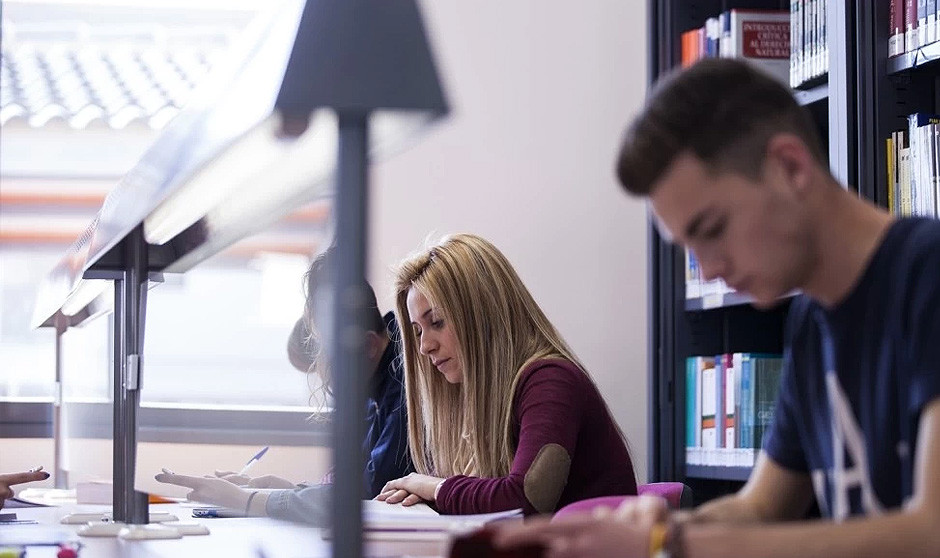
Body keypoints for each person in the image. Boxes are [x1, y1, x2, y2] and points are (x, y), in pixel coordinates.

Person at [493, 58, 940, 557]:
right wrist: (658, 525)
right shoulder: (812, 321)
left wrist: (673, 542)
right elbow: (762, 508)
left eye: (711, 230)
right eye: (688, 246)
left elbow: (931, 531)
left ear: (790, 167)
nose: (706, 270)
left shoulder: (928, 274)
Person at [374, 233, 638, 516]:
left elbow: (525, 498)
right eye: (417, 332)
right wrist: (432, 497)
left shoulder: (552, 381)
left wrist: (435, 488)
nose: (425, 346)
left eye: (436, 322)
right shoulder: (475, 394)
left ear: (483, 313)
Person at [156, 246, 412, 522]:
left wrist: (247, 500)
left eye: (328, 353)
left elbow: (366, 494)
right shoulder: (374, 381)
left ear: (368, 345)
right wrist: (283, 489)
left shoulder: (404, 381)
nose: (323, 369)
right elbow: (351, 486)